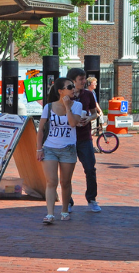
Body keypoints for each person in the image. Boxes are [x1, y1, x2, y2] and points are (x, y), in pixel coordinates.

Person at [37, 76, 84, 224]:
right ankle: (50, 214)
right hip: (50, 148)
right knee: (51, 181)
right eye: (69, 87)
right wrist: (39, 149)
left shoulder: (77, 105)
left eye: (73, 87)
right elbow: (41, 130)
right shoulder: (48, 107)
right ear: (60, 91)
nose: (73, 89)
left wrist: (68, 107)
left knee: (65, 182)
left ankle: (64, 210)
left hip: (68, 148)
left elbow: (72, 123)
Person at [66, 68, 101, 213]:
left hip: (84, 137)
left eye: (84, 78)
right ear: (72, 81)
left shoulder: (88, 94)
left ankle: (91, 199)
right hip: (68, 137)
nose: (84, 81)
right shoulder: (65, 95)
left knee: (90, 169)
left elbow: (95, 113)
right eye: (81, 79)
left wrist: (89, 119)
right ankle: (67, 200)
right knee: (66, 171)